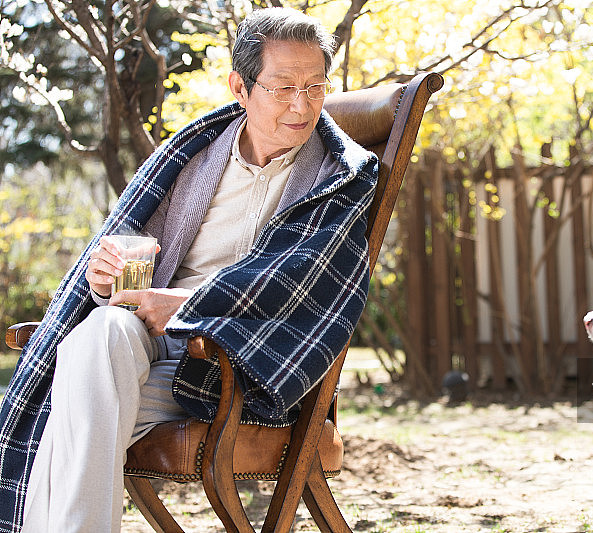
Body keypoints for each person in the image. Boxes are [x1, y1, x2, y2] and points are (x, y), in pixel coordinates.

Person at [0, 7, 378, 532]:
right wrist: (105, 280)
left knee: (68, 409)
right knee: (102, 329)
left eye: (315, 86)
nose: (302, 104)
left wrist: (191, 308)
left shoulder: (341, 177)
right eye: (283, 88)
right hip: (143, 341)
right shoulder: (194, 153)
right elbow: (130, 265)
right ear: (240, 88)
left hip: (237, 362)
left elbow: (302, 286)